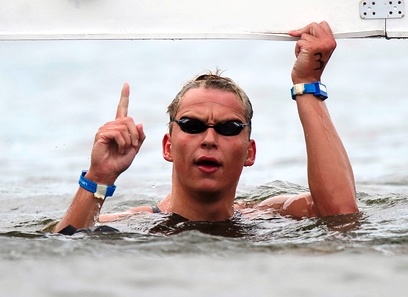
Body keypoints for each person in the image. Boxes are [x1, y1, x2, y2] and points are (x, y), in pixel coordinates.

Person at [53, 21, 359, 234]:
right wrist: (99, 178)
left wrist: (307, 84)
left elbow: (342, 216)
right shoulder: (134, 225)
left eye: (228, 128)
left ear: (250, 152)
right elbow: (63, 251)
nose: (209, 139)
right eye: (192, 125)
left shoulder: (271, 216)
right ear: (168, 146)